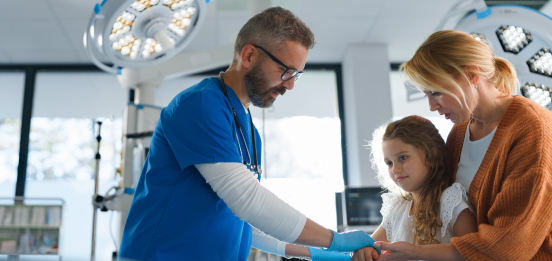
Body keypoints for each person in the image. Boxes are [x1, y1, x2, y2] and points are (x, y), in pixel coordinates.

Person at [118, 7, 378, 261]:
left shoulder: (249, 132)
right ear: (249, 55)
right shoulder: (201, 104)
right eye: (285, 71)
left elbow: (241, 221)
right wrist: (335, 239)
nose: (290, 84)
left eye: (296, 74)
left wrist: (317, 252)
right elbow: (248, 200)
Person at [373, 30, 552, 260]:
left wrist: (415, 252)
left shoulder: (533, 130)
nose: (431, 107)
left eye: (436, 93)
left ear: (471, 75)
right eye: (426, 95)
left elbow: (509, 246)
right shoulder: (459, 133)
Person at [351, 115, 478, 261]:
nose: (395, 169)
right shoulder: (398, 207)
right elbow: (373, 244)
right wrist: (364, 250)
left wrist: (416, 251)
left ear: (431, 155)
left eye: (403, 158)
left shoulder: (449, 200)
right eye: (389, 163)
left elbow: (474, 251)